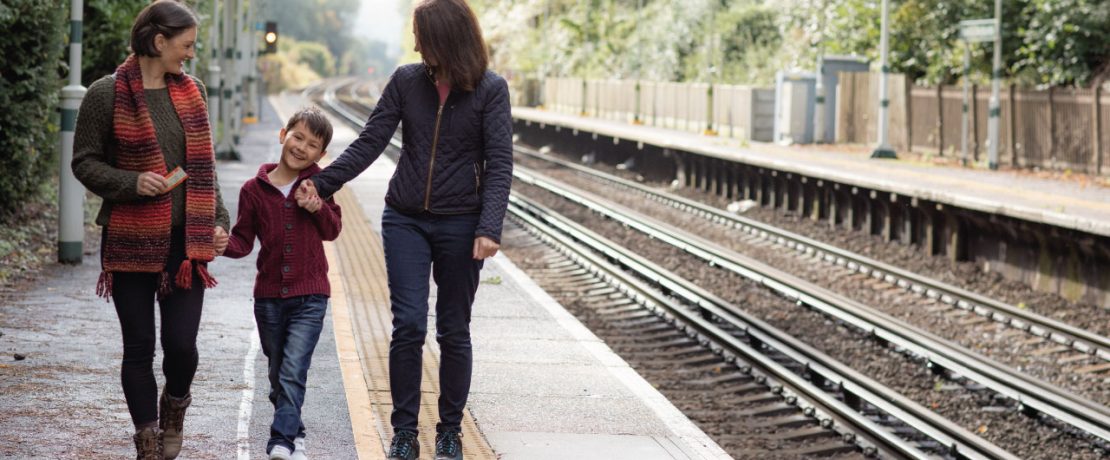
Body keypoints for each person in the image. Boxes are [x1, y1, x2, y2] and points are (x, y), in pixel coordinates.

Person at [298, 0, 512, 458]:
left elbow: (500, 165)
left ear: (446, 39)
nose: (415, 44)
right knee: (408, 325)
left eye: (422, 35)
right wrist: (320, 182)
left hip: (462, 222)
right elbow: (371, 141)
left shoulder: (490, 90)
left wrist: (488, 226)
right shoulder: (405, 81)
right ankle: (405, 433)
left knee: (454, 329)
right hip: (405, 218)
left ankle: (450, 431)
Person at [71, 1, 229, 459]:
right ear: (159, 42)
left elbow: (204, 170)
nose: (191, 55)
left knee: (181, 347)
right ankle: (147, 439)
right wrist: (131, 183)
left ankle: (175, 405)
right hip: (129, 238)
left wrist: (218, 221)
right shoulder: (106, 94)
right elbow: (84, 162)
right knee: (138, 346)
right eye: (186, 45)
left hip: (185, 243)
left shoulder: (193, 90)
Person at [222, 107, 341, 460]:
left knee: (293, 369)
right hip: (269, 298)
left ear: (321, 155)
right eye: (298, 136)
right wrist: (220, 244)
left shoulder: (320, 184)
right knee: (277, 371)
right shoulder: (253, 190)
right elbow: (243, 241)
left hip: (311, 295)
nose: (302, 147)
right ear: (282, 135)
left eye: (313, 144)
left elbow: (333, 230)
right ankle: (296, 430)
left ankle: (282, 441)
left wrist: (316, 207)